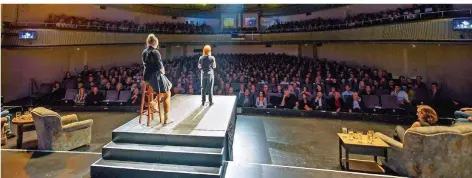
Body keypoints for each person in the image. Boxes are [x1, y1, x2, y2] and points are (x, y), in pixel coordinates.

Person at [142, 34, 173, 124]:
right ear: (155, 42)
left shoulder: (144, 52)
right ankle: (166, 118)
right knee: (167, 93)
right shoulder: (155, 52)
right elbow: (160, 67)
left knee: (169, 84)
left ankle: (155, 101)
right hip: (155, 76)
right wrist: (163, 72)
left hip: (146, 77)